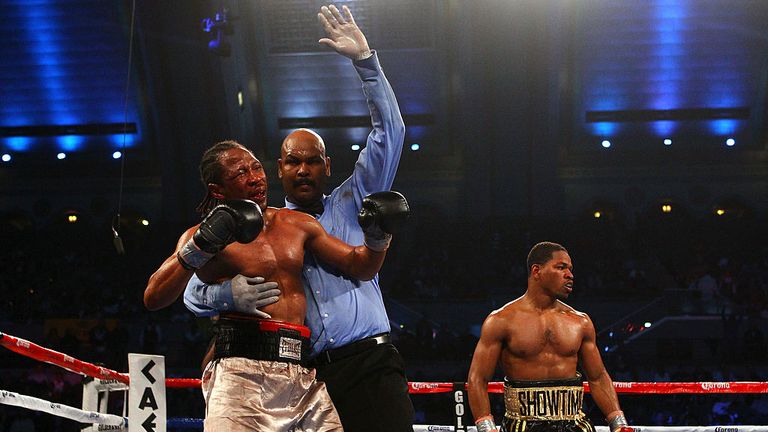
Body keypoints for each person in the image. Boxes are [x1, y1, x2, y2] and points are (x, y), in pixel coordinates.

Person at [184, 4, 415, 431]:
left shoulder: (354, 199)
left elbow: (392, 133)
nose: (303, 170)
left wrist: (366, 64)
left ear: (327, 165)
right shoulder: (260, 229)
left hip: (369, 361)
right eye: (293, 162)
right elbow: (190, 290)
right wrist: (227, 295)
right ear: (280, 168)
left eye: (312, 162)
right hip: (305, 374)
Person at [144, 140, 409, 430]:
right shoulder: (203, 236)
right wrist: (201, 251)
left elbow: (360, 265)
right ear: (218, 190)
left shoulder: (296, 223)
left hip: (301, 372)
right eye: (240, 173)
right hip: (240, 371)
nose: (255, 177)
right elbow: (154, 297)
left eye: (256, 167)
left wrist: (377, 236)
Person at [467, 242, 631, 432]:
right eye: (561, 267)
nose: (569, 275)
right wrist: (486, 427)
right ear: (537, 271)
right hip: (521, 425)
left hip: (574, 424)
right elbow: (477, 378)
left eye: (570, 269)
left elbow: (598, 377)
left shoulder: (580, 322)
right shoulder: (501, 321)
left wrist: (618, 423)